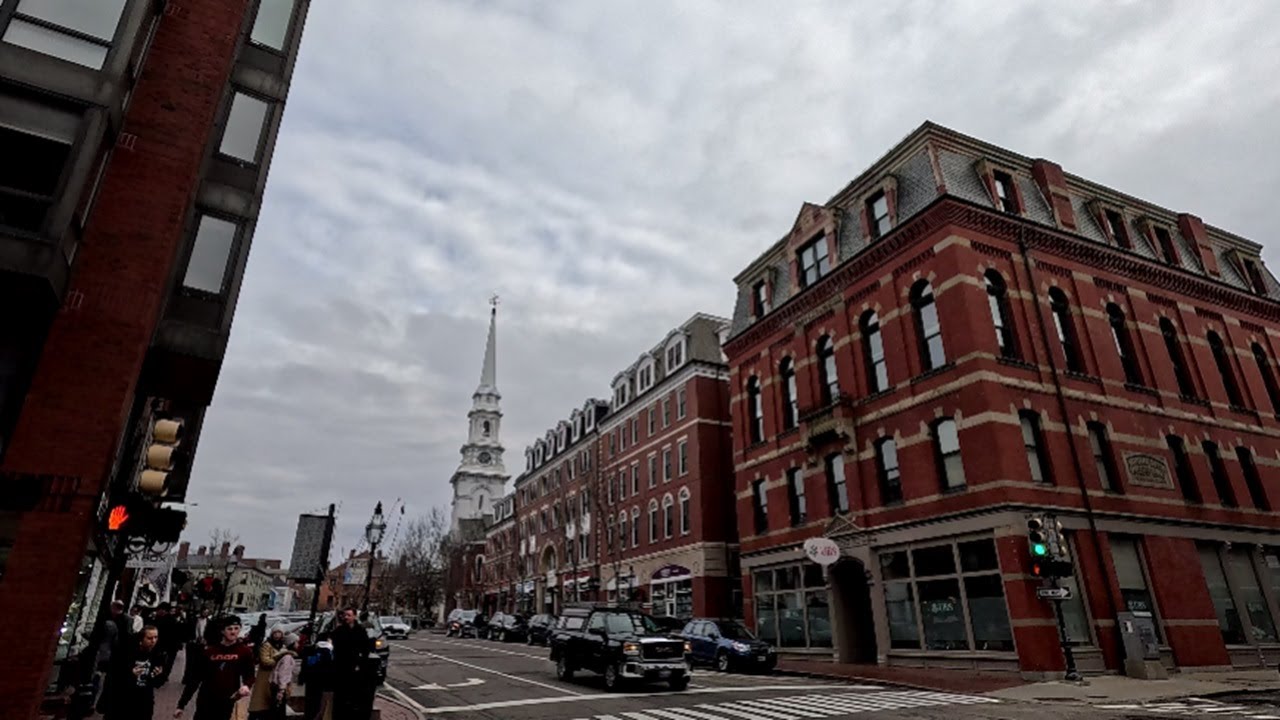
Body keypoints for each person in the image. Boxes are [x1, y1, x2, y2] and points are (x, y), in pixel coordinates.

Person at [174, 616, 255, 720]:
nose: (233, 632)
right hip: (206, 698)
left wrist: (246, 685)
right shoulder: (210, 652)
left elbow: (249, 675)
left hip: (227, 700)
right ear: (222, 631)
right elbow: (195, 679)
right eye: (229, 629)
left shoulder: (244, 652)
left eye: (236, 628)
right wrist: (181, 705)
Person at [99, 625, 167, 720]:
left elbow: (157, 683)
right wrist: (131, 674)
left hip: (143, 701)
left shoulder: (157, 655)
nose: (153, 641)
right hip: (123, 699)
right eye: (149, 638)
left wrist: (158, 675)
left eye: (156, 637)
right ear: (141, 639)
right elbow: (114, 676)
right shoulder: (127, 652)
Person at [330, 608, 373, 720]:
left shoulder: (360, 631)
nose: (346, 617)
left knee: (355, 695)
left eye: (349, 615)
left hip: (356, 668)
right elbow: (334, 646)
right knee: (341, 696)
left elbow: (366, 648)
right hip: (341, 667)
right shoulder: (339, 631)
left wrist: (361, 662)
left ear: (354, 616)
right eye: (345, 615)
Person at [248, 628, 294, 719]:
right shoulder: (266, 645)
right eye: (275, 633)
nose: (277, 635)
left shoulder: (283, 646)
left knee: (274, 700)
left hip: (276, 676)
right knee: (262, 699)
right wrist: (278, 660)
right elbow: (265, 661)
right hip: (265, 675)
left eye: (279, 633)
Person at [298, 633, 334, 720]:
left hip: (311, 681)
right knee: (320, 704)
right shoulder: (328, 651)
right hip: (324, 682)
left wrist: (302, 678)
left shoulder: (310, 649)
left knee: (310, 703)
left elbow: (304, 665)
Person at [269, 637, 298, 720]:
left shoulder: (284, 656)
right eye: (296, 642)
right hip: (279, 687)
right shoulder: (288, 658)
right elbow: (283, 674)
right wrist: (281, 689)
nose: (298, 644)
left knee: (276, 709)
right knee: (279, 711)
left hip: (276, 685)